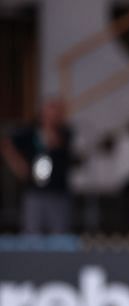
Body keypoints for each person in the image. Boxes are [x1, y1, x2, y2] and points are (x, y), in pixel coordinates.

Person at [0, 98, 74, 234]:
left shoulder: (66, 133)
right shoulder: (29, 132)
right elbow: (6, 144)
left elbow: (62, 147)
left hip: (58, 193)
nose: (55, 115)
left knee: (60, 236)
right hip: (34, 192)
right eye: (51, 110)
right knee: (32, 236)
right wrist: (19, 165)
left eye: (57, 111)